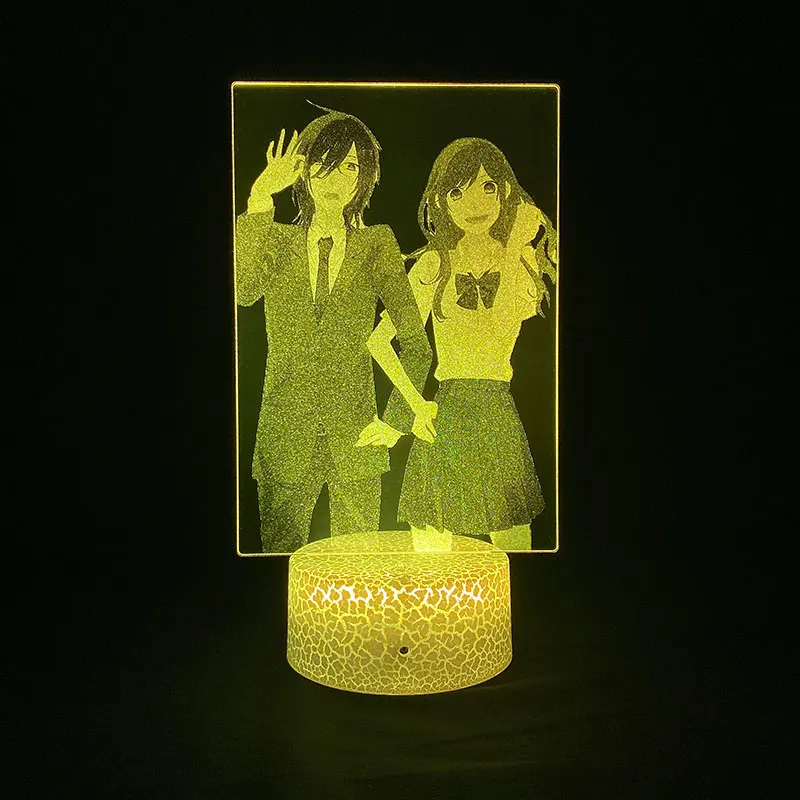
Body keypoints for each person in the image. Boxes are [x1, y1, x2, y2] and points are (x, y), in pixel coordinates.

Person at [235, 111, 433, 553]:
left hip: (357, 442)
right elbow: (242, 291)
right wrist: (259, 196)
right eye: (325, 164)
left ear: (364, 178)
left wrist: (396, 422)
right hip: (284, 438)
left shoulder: (376, 243)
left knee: (357, 567)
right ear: (303, 170)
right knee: (278, 564)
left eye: (350, 166)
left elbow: (416, 345)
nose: (336, 179)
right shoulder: (276, 240)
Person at [366, 138, 558, 551]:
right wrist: (415, 405)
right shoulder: (433, 264)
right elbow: (379, 341)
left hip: (496, 412)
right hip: (446, 410)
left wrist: (516, 245)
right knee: (430, 545)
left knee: (512, 543)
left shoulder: (520, 259)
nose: (474, 203)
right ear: (441, 201)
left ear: (504, 193)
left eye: (487, 187)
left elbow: (504, 325)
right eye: (458, 191)